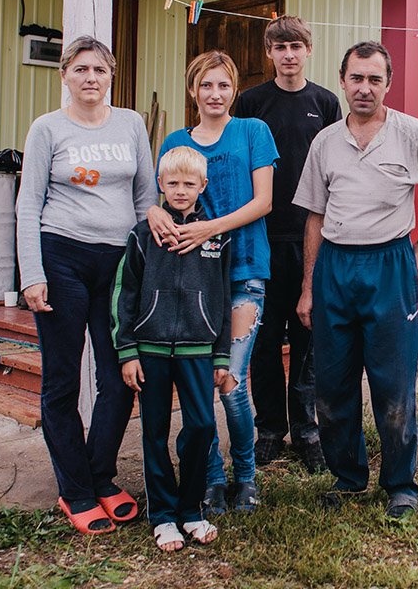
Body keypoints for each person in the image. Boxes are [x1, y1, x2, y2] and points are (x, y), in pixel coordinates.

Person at [295, 41, 418, 521]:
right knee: (332, 387)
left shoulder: (412, 135)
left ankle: (401, 484)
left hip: (390, 265)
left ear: (387, 84)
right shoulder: (325, 142)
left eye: (374, 79)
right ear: (342, 80)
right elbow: (314, 216)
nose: (364, 88)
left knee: (393, 384)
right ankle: (348, 477)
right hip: (335, 266)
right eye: (356, 78)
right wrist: (309, 286)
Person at [16, 35, 157, 535]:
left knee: (121, 375)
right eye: (80, 69)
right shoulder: (47, 129)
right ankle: (73, 490)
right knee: (62, 380)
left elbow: (146, 197)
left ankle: (100, 475)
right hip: (62, 258)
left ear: (111, 74)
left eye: (99, 69)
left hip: (118, 264)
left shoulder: (132, 123)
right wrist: (31, 273)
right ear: (65, 75)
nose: (90, 78)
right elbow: (28, 203)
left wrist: (150, 265)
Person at [150, 50, 278, 517]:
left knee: (231, 382)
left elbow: (264, 202)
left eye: (223, 85)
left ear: (234, 90)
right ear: (193, 91)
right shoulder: (175, 141)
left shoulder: (253, 133)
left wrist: (210, 227)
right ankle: (212, 478)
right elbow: (159, 200)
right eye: (206, 85)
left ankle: (246, 475)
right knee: (198, 387)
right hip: (191, 282)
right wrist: (152, 210)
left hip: (244, 272)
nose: (215, 94)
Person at [233, 16, 341, 473]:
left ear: (308, 50)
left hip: (312, 237)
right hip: (261, 238)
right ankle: (270, 430)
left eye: (296, 45)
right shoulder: (251, 103)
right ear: (269, 54)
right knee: (262, 340)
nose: (289, 54)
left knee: (308, 338)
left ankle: (308, 431)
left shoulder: (326, 102)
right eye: (280, 47)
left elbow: (341, 166)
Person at [112, 146, 230, 550]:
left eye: (189, 183)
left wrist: (222, 354)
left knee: (201, 426)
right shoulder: (143, 234)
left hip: (199, 349)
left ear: (203, 186)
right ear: (161, 184)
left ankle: (191, 508)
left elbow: (222, 297)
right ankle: (163, 515)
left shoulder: (215, 236)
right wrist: (127, 350)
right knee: (153, 431)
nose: (180, 191)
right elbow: (125, 295)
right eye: (173, 183)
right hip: (151, 350)